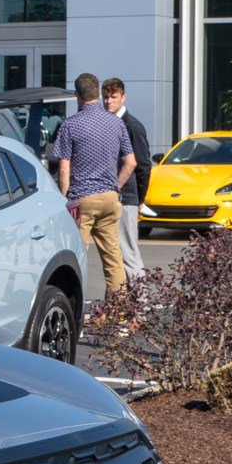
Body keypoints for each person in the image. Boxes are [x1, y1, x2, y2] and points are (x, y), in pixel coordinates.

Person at [46, 72, 138, 296]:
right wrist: (114, 186)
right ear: (97, 93)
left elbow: (64, 168)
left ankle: (71, 304)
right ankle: (119, 311)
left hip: (82, 199)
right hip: (109, 197)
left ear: (78, 96)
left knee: (75, 255)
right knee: (113, 256)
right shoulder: (116, 123)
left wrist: (65, 199)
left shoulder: (70, 125)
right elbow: (131, 162)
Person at [103, 78, 152, 278]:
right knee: (116, 253)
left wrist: (140, 198)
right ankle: (123, 298)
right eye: (105, 97)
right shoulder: (108, 123)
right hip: (112, 195)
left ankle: (141, 299)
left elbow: (143, 165)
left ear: (123, 98)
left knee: (128, 252)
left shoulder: (132, 125)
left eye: (113, 97)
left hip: (127, 196)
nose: (108, 101)